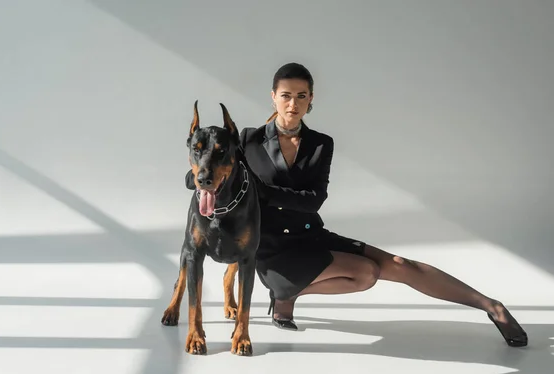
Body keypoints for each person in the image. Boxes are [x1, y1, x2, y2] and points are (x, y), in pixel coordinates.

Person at [185, 62, 528, 347]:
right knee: (367, 273)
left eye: (301, 96)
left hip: (310, 234)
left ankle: (491, 306)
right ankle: (285, 294)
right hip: (270, 249)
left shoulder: (321, 144)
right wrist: (205, 182)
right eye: (286, 95)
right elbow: (197, 176)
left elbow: (315, 200)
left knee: (396, 264)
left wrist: (263, 191)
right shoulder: (245, 139)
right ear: (273, 97)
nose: (293, 104)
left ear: (311, 100)